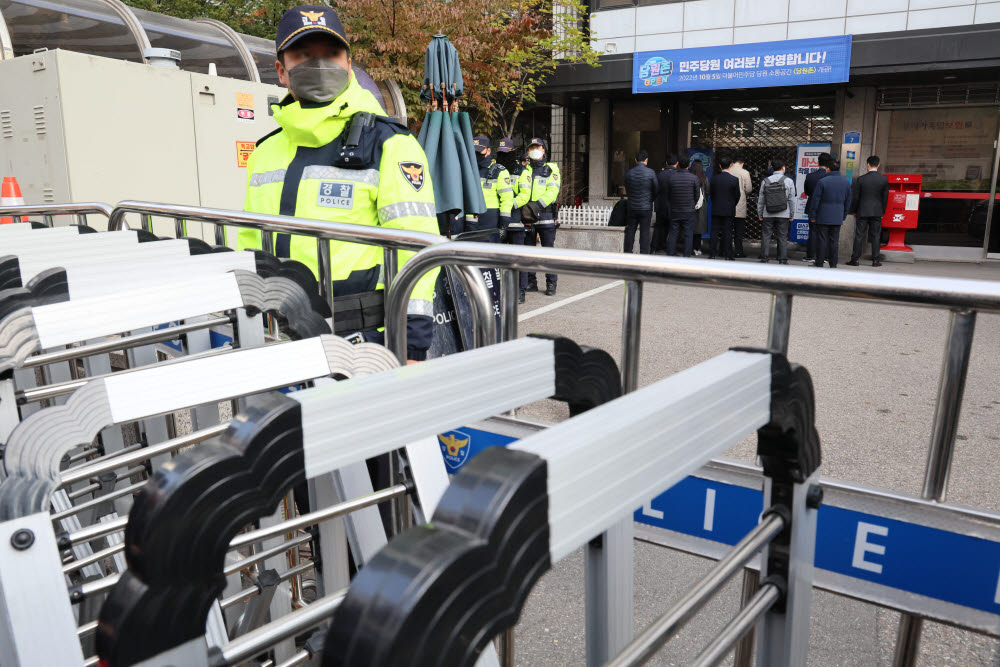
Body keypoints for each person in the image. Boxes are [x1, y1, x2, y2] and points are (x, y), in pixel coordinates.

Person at [237, 5, 438, 363]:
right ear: (282, 71)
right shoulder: (264, 152)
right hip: (276, 336)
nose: (319, 64)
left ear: (348, 65)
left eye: (331, 54)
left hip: (361, 339)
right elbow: (249, 241)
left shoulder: (390, 144)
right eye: (303, 54)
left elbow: (417, 248)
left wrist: (412, 341)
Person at [517, 137, 561, 296]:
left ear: (543, 150)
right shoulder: (525, 170)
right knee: (529, 251)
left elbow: (552, 192)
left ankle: (551, 282)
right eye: (532, 147)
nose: (534, 150)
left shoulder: (552, 169)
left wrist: (536, 205)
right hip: (528, 217)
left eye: (538, 147)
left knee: (548, 252)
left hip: (546, 215)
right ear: (528, 151)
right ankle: (531, 281)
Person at [807, 160, 852, 269]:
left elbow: (815, 200)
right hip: (837, 216)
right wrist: (844, 215)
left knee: (822, 240)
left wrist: (812, 215)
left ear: (828, 169)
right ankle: (833, 263)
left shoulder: (822, 181)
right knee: (834, 241)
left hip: (823, 215)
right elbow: (848, 201)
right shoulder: (846, 182)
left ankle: (819, 262)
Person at [848, 155, 890, 267]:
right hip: (877, 211)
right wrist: (882, 212)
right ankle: (875, 260)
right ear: (878, 165)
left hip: (862, 211)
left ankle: (855, 259)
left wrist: (854, 211)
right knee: (876, 236)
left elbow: (856, 197)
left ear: (867, 164)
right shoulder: (884, 179)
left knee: (859, 235)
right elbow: (885, 198)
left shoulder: (861, 179)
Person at [470, 136, 513, 243]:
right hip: (469, 222)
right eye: (474, 151)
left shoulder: (499, 171)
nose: (476, 154)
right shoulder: (468, 170)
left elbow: (507, 199)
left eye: (479, 151)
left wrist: (504, 224)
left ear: (488, 150)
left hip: (490, 221)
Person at [756, 158, 796, 264]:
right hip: (784, 213)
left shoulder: (765, 181)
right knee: (782, 236)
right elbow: (792, 199)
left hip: (768, 212)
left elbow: (761, 200)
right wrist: (792, 214)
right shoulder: (789, 181)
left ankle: (764, 257)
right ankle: (782, 258)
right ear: (783, 168)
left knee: (766, 235)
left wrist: (760, 213)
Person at [663, 153, 700, 257]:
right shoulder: (694, 178)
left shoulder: (672, 177)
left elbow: (668, 194)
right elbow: (697, 195)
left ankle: (670, 253)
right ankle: (686, 255)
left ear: (678, 164)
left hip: (674, 210)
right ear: (689, 165)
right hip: (689, 211)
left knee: (673, 232)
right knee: (688, 234)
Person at [623, 149, 658, 254]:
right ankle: (643, 254)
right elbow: (656, 189)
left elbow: (627, 189)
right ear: (646, 160)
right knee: (644, 232)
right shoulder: (651, 173)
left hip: (632, 206)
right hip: (646, 207)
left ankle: (628, 252)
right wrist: (650, 200)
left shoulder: (629, 173)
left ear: (635, 160)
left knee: (630, 231)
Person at [708, 155, 741, 260]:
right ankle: (728, 255)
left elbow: (711, 194)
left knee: (714, 232)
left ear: (720, 166)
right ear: (730, 165)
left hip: (716, 208)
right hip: (729, 209)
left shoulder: (714, 179)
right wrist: (732, 204)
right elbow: (737, 196)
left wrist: (716, 202)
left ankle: (712, 254)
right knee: (727, 233)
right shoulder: (734, 180)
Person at [802, 152, 832, 263]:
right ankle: (825, 256)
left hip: (812, 207)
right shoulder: (830, 177)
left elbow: (807, 192)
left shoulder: (810, 176)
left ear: (818, 163)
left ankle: (810, 255)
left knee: (813, 231)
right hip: (827, 208)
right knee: (826, 233)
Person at [652, 154, 678, 254]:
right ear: (677, 164)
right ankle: (671, 250)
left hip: (661, 205)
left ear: (666, 163)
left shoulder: (659, 175)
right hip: (674, 206)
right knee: (673, 228)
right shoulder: (678, 175)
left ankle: (654, 248)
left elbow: (655, 190)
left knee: (658, 227)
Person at [729, 155, 753, 258]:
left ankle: (725, 250)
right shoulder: (745, 173)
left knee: (727, 229)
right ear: (742, 163)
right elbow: (748, 189)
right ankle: (738, 251)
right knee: (739, 231)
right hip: (740, 204)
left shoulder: (728, 171)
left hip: (728, 205)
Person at [690, 159, 709, 255]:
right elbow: (708, 192)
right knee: (699, 228)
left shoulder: (690, 177)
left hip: (690, 204)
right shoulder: (704, 178)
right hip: (701, 206)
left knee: (690, 227)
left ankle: (690, 247)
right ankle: (697, 248)